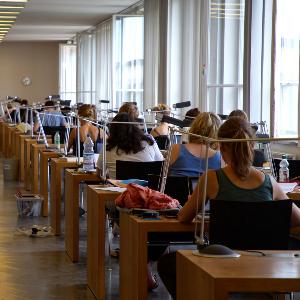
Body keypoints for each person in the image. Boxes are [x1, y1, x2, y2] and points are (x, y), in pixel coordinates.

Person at [157, 117, 300, 299]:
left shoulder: (211, 179)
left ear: (222, 148)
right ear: (251, 148)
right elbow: (297, 219)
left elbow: (184, 217)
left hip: (222, 263)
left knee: (168, 264)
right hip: (265, 266)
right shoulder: (269, 182)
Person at [96, 112, 164, 179]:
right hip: (145, 188)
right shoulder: (149, 142)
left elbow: (99, 173)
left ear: (113, 129)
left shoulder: (108, 147)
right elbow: (161, 165)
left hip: (118, 188)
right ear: (135, 127)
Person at [168, 112, 222, 177]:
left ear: (194, 127)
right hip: (205, 187)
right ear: (216, 132)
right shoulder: (220, 158)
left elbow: (164, 177)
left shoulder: (175, 149)